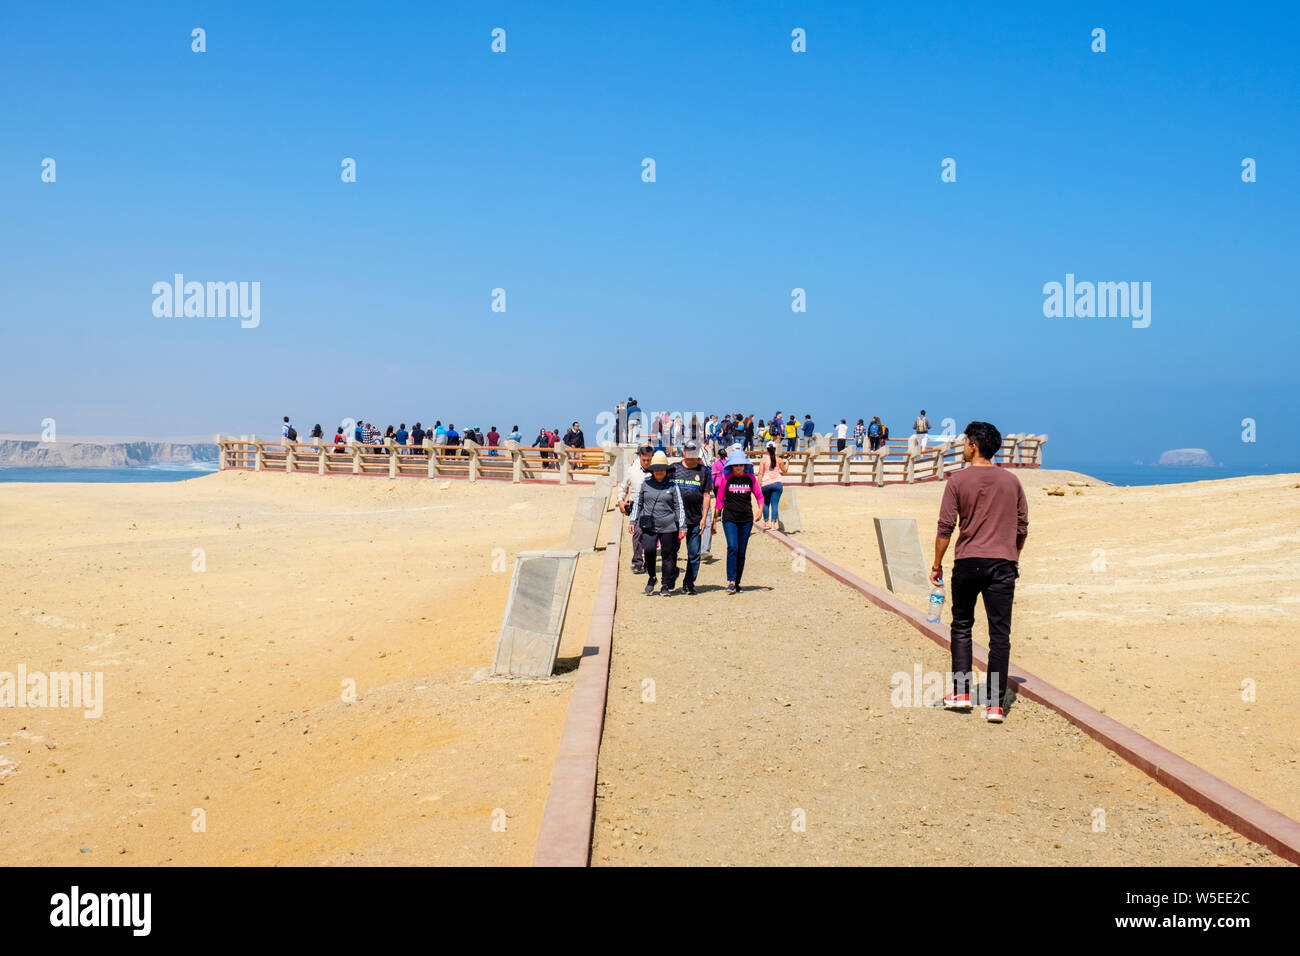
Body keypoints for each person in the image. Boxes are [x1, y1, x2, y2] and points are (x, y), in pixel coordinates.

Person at [931, 421, 1028, 724]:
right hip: (1003, 564)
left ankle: (961, 692)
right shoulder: (1011, 482)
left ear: (973, 445)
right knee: (1000, 634)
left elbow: (945, 527)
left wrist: (936, 564)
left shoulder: (957, 481)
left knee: (962, 625)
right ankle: (995, 705)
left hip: (968, 561)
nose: (962, 446)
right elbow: (1022, 526)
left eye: (964, 442)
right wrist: (1012, 555)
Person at [628, 450, 685, 594]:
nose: (659, 472)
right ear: (653, 470)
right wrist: (632, 521)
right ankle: (652, 577)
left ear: (666, 470)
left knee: (667, 555)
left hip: (668, 526)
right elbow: (638, 504)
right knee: (649, 551)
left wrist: (682, 525)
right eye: (657, 470)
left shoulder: (673, 485)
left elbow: (679, 505)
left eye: (662, 470)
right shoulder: (645, 483)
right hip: (649, 525)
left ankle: (665, 584)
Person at [713, 447, 764, 595]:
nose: (738, 467)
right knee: (733, 547)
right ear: (731, 466)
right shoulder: (726, 478)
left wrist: (760, 511)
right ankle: (731, 581)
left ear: (744, 465)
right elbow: (719, 500)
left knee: (741, 552)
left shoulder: (750, 478)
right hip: (729, 518)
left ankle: (738, 583)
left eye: (740, 465)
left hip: (746, 519)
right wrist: (714, 520)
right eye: (736, 465)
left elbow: (760, 497)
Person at [670, 440, 712, 594]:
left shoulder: (703, 471)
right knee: (671, 551)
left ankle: (689, 583)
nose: (691, 456)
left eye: (694, 453)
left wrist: (704, 518)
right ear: (684, 452)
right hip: (675, 519)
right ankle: (671, 575)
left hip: (695, 519)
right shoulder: (674, 468)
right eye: (688, 452)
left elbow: (707, 495)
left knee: (694, 554)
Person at [617, 444, 654, 573]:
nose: (646, 463)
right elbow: (622, 487)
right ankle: (638, 562)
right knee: (637, 532)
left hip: (652, 507)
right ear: (639, 457)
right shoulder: (632, 470)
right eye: (644, 460)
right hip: (636, 506)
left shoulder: (657, 470)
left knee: (650, 536)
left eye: (649, 460)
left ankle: (649, 563)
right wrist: (620, 501)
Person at [757, 440, 788, 530]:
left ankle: (766, 523)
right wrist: (788, 461)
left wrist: (759, 484)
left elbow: (760, 473)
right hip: (777, 483)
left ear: (767, 449)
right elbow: (785, 470)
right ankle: (773, 524)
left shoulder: (763, 460)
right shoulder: (779, 459)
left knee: (766, 503)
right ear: (775, 449)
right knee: (775, 504)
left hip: (766, 483)